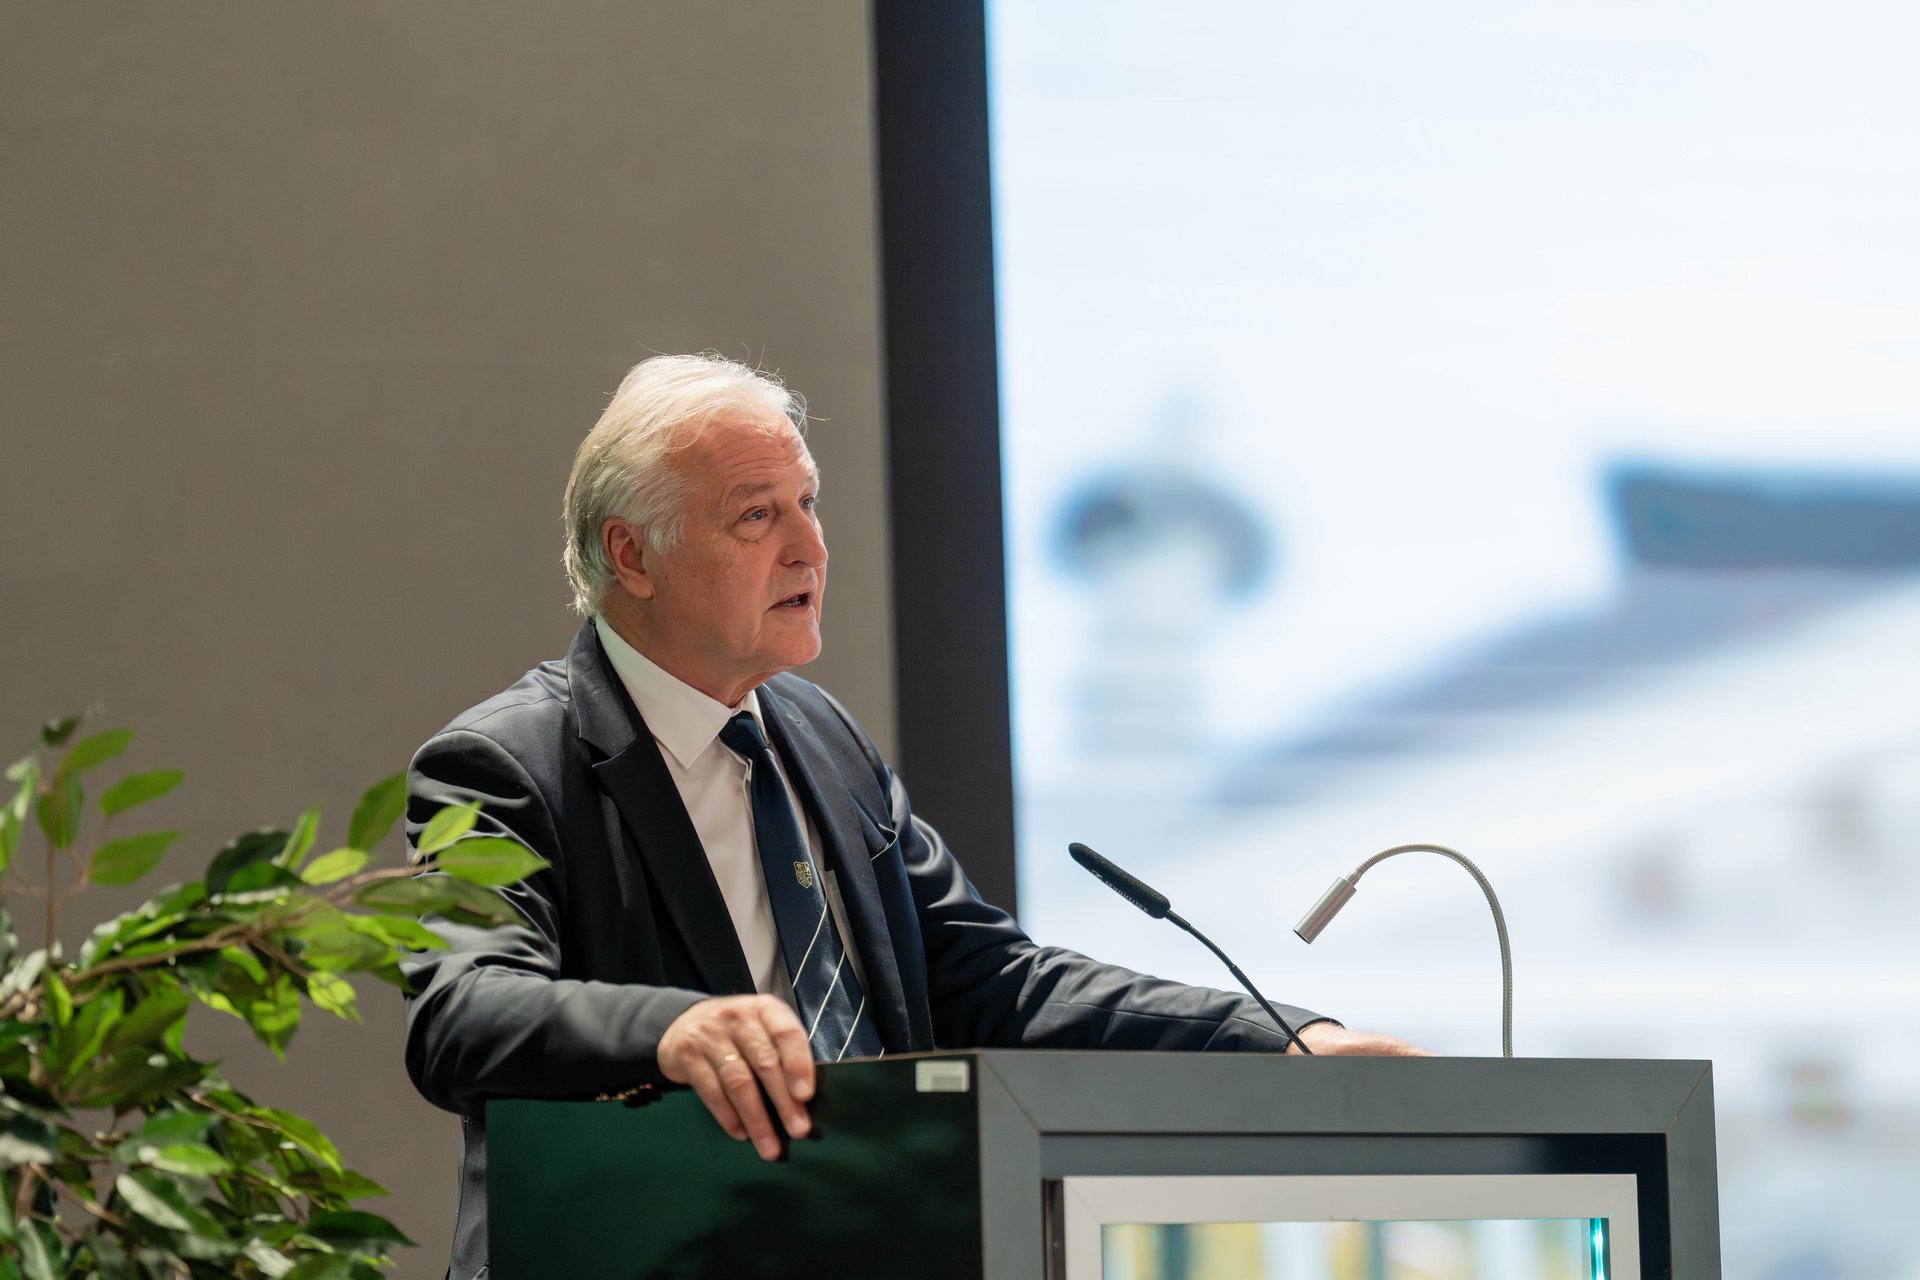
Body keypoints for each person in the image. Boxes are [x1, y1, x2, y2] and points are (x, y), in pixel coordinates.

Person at [400, 352, 1420, 1279]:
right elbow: (463, 1010)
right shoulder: (510, 763)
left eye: (809, 502)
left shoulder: (822, 737)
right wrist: (674, 1029)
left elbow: (988, 979)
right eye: (757, 515)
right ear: (633, 553)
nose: (809, 544)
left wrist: (1281, 1040)